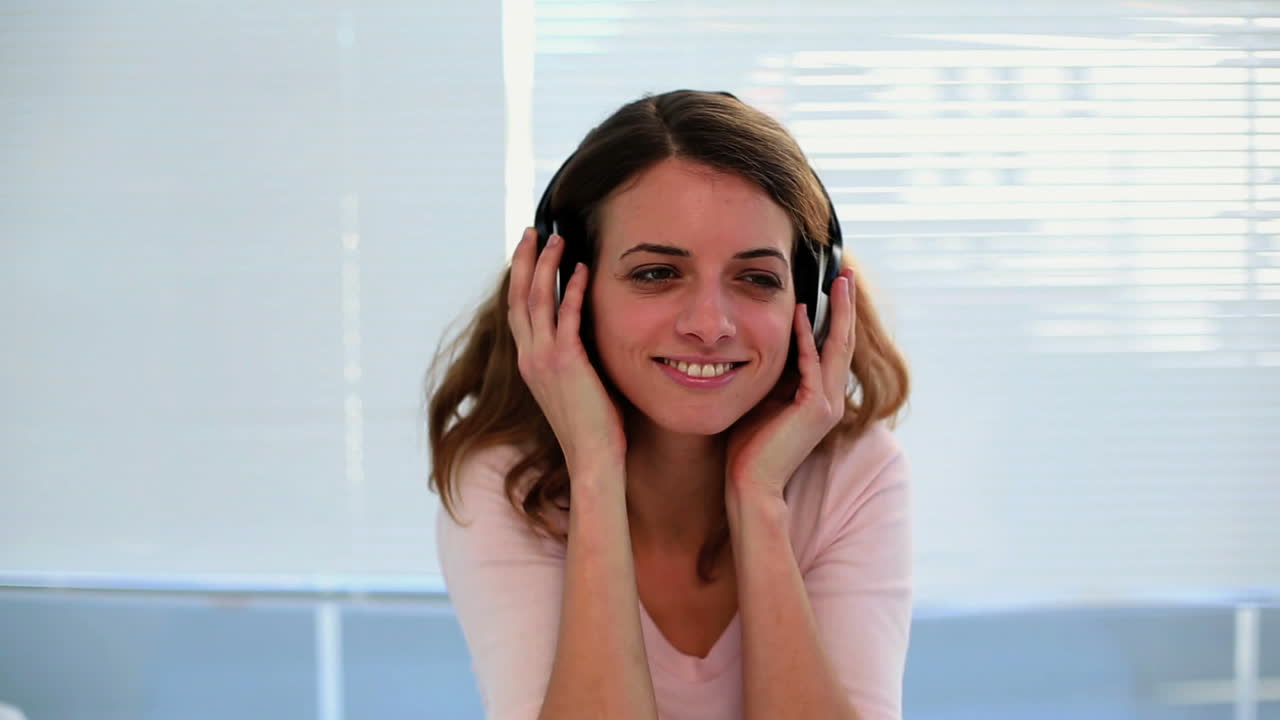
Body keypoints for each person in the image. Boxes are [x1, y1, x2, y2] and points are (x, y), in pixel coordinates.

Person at [426, 89, 912, 720]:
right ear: (564, 290)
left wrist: (759, 500)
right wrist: (594, 470)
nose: (710, 325)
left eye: (756, 278)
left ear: (811, 301)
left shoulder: (855, 474)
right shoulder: (507, 482)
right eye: (656, 273)